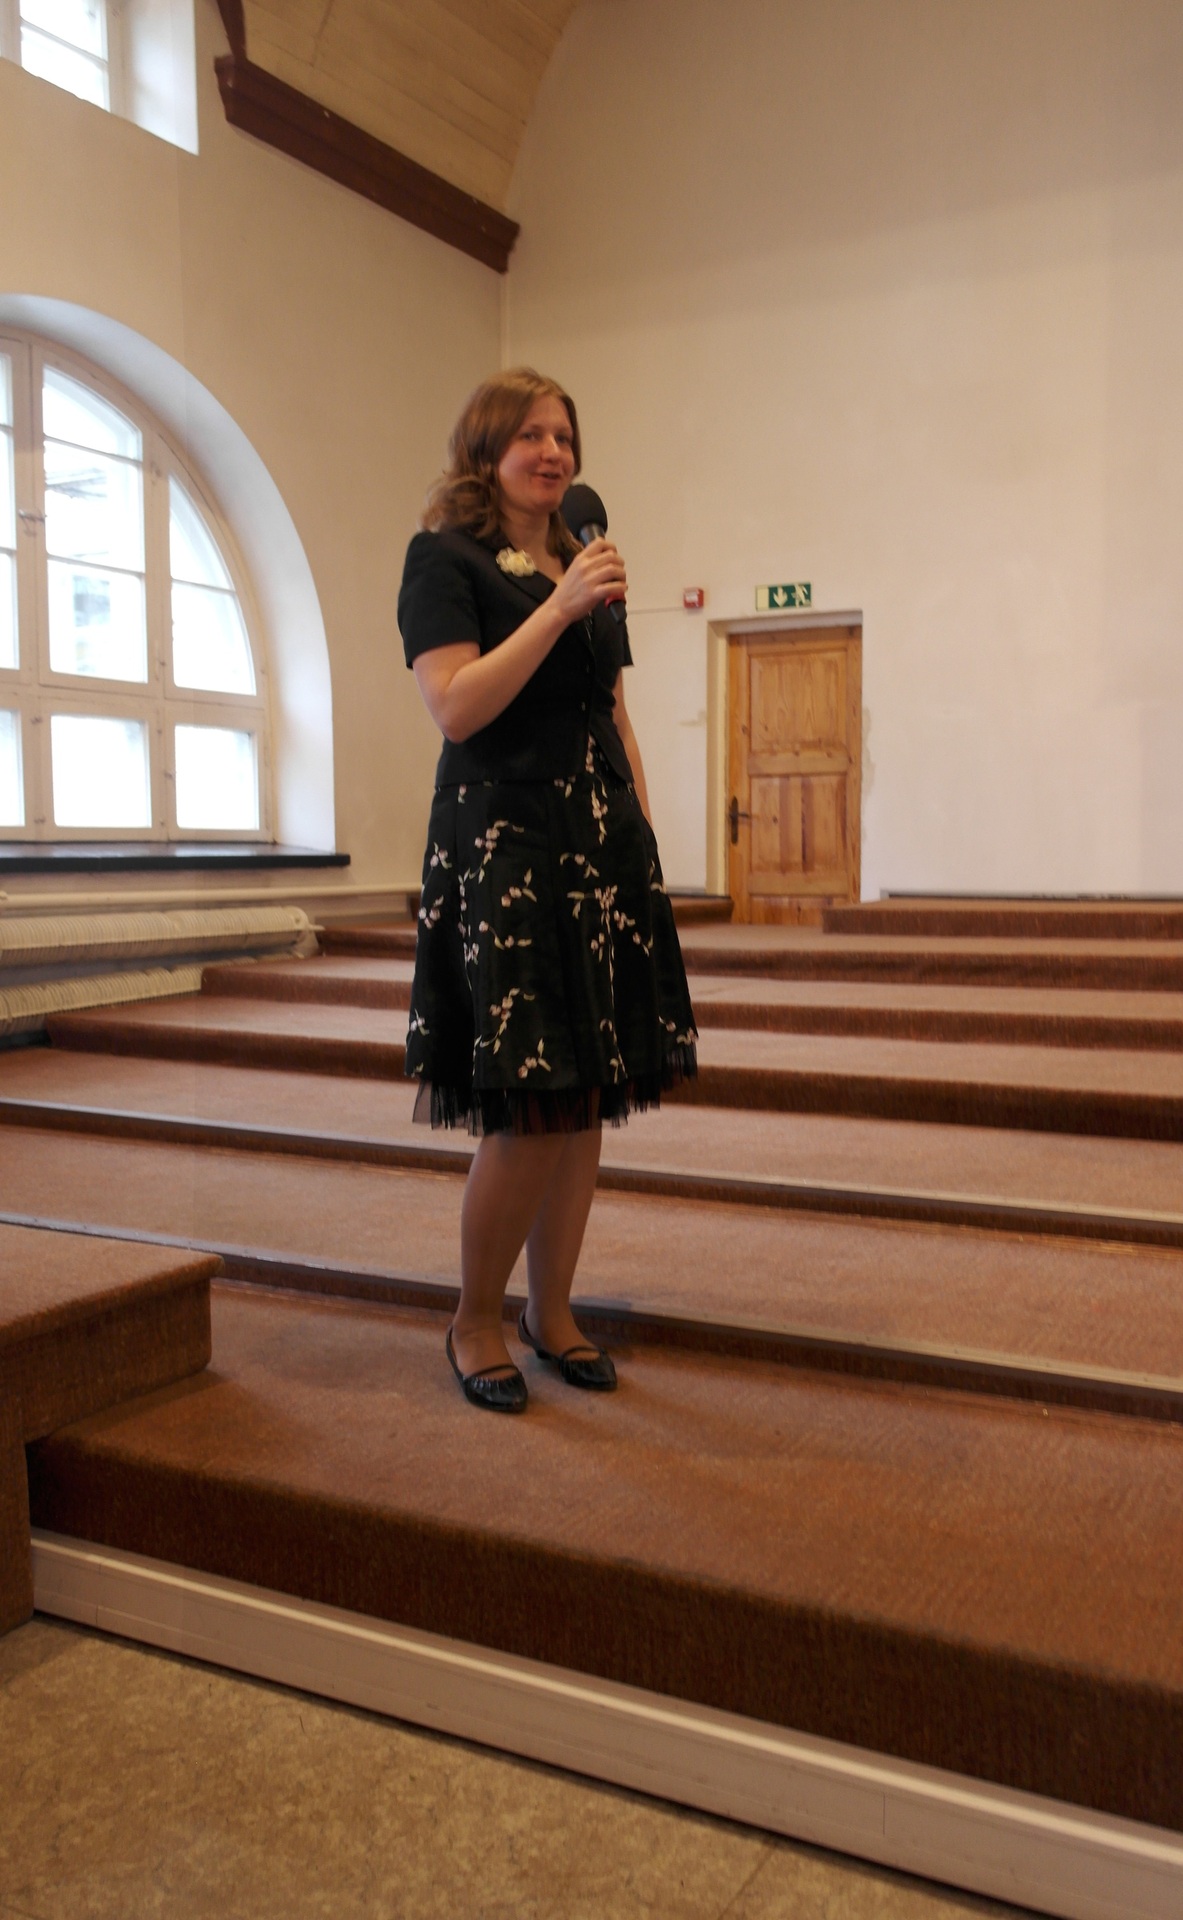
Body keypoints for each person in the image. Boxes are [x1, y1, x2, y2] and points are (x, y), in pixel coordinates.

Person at [398, 368, 698, 1414]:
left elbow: (610, 710)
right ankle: (474, 1318)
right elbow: (456, 704)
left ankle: (551, 1311)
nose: (552, 452)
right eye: (529, 434)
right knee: (530, 1103)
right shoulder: (444, 559)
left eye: (563, 435)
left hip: (596, 846)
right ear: (485, 451)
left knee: (584, 1098)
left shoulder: (582, 556)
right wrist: (559, 608)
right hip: (507, 848)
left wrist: (641, 836)